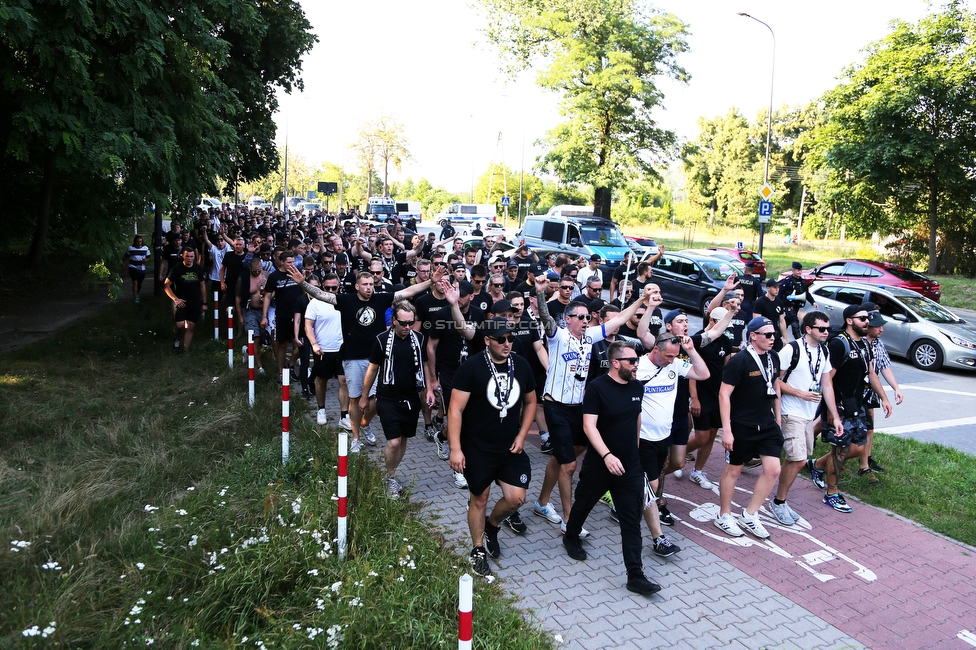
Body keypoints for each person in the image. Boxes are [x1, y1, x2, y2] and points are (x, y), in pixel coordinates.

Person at [287, 262, 446, 453]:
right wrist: (303, 284)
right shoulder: (345, 300)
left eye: (371, 284)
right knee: (355, 399)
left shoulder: (381, 299)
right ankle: (355, 437)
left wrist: (431, 281)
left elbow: (408, 292)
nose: (369, 288)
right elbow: (323, 295)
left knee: (377, 399)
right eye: (365, 284)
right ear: (357, 286)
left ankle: (364, 423)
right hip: (353, 357)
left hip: (378, 358)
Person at [532, 287, 649, 536]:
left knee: (566, 456)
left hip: (579, 407)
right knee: (569, 465)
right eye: (581, 317)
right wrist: (541, 293)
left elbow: (618, 318)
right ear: (569, 319)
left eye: (588, 317)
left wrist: (641, 299)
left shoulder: (591, 336)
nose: (587, 321)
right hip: (556, 406)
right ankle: (568, 518)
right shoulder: (558, 336)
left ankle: (541, 503)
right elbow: (545, 317)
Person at [562, 341, 662, 596]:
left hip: (629, 467)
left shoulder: (637, 387)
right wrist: (606, 455)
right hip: (600, 464)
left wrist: (635, 451)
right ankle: (570, 536)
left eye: (636, 360)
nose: (636, 364)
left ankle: (635, 576)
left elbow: (636, 417)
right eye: (631, 361)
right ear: (616, 363)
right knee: (583, 504)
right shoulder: (597, 388)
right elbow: (589, 426)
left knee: (631, 521)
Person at [448, 318, 537, 578]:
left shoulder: (520, 365)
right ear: (487, 341)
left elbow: (531, 402)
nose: (508, 344)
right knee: (480, 498)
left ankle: (493, 525)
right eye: (501, 339)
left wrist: (522, 435)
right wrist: (456, 448)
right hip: (477, 446)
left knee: (516, 498)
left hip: (510, 446)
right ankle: (477, 549)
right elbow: (455, 409)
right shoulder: (471, 367)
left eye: (511, 339)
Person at [807, 305, 892, 512]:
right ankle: (832, 492)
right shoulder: (839, 344)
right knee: (840, 450)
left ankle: (816, 465)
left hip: (857, 405)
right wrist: (830, 410)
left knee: (858, 448)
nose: (867, 322)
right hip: (839, 406)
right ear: (850, 321)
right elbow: (828, 379)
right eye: (862, 318)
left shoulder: (864, 343)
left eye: (867, 318)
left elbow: (871, 373)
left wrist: (885, 398)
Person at [633, 334, 708, 556]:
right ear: (656, 349)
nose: (671, 360)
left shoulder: (675, 363)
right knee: (652, 487)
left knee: (646, 483)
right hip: (643, 438)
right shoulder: (639, 367)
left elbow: (703, 374)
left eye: (675, 357)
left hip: (663, 438)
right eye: (668, 356)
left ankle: (624, 503)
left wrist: (691, 351)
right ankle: (659, 539)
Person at [769, 311, 842, 525]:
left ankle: (780, 499)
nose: (826, 332)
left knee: (796, 459)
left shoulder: (824, 351)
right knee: (798, 459)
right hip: (791, 411)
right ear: (808, 329)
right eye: (821, 329)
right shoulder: (791, 349)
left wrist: (835, 417)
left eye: (828, 328)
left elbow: (827, 384)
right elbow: (775, 381)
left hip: (809, 415)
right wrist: (800, 394)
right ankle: (779, 501)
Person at [714, 317, 783, 539]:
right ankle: (724, 515)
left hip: (767, 423)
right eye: (768, 335)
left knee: (773, 469)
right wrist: (727, 429)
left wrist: (778, 418)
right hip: (742, 424)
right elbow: (724, 394)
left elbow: (775, 386)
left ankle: (750, 514)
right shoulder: (739, 361)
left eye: (774, 334)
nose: (773, 339)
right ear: (753, 335)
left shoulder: (773, 357)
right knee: (733, 470)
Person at [361, 301, 436, 499]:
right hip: (387, 397)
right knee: (393, 442)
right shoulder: (382, 340)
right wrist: (364, 397)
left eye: (411, 323)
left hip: (411, 397)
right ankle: (390, 476)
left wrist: (428, 389)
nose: (407, 327)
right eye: (403, 323)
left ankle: (392, 473)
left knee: (403, 439)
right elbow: (373, 369)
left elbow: (426, 364)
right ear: (394, 321)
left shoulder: (419, 338)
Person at [426, 280, 485, 490]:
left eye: (461, 295)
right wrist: (433, 379)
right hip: (451, 372)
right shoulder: (442, 315)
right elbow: (431, 347)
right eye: (454, 294)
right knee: (457, 415)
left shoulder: (478, 315)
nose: (457, 299)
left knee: (468, 417)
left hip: (473, 371)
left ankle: (442, 436)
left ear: (471, 296)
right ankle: (458, 468)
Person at [859, 311, 904, 482]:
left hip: (870, 393)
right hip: (854, 392)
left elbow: (884, 367)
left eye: (881, 326)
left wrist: (896, 388)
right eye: (877, 326)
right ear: (867, 326)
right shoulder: (858, 342)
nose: (881, 329)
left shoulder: (878, 344)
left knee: (869, 429)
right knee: (848, 430)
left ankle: (865, 465)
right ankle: (822, 461)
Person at [305, 273, 346, 425]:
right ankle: (321, 409)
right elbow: (308, 325)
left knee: (344, 381)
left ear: (339, 287)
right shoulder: (315, 303)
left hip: (342, 348)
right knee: (322, 380)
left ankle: (344, 415)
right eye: (327, 287)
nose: (330, 290)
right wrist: (314, 344)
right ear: (322, 286)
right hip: (322, 349)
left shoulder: (344, 301)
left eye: (333, 288)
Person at [164, 247, 207, 353]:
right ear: (183, 256)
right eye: (187, 256)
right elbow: (166, 285)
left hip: (195, 301)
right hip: (181, 301)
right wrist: (175, 299)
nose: (189, 258)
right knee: (180, 325)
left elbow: (202, 286)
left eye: (192, 256)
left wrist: (204, 302)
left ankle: (186, 349)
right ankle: (177, 338)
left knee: (190, 325)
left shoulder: (198, 269)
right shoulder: (176, 269)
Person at [779, 262, 818, 339]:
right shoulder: (787, 281)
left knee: (787, 321)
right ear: (793, 270)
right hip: (788, 306)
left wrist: (813, 302)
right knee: (795, 323)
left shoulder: (803, 282)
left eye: (800, 270)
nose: (799, 272)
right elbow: (780, 294)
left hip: (797, 306)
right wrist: (778, 305)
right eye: (797, 270)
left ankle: (776, 335)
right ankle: (799, 341)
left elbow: (806, 293)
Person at [753, 279, 788, 351]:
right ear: (768, 288)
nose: (777, 290)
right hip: (765, 335)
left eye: (778, 288)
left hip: (775, 334)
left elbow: (781, 321)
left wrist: (785, 338)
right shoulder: (760, 302)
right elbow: (756, 320)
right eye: (774, 287)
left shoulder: (779, 302)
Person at [123, 235, 151, 302]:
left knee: (140, 283)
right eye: (137, 241)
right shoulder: (130, 248)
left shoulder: (145, 248)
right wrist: (124, 262)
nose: (139, 243)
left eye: (140, 241)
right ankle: (135, 297)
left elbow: (149, 257)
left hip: (141, 268)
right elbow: (126, 257)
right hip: (132, 267)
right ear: (135, 242)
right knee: (135, 281)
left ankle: (137, 293)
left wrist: (146, 260)